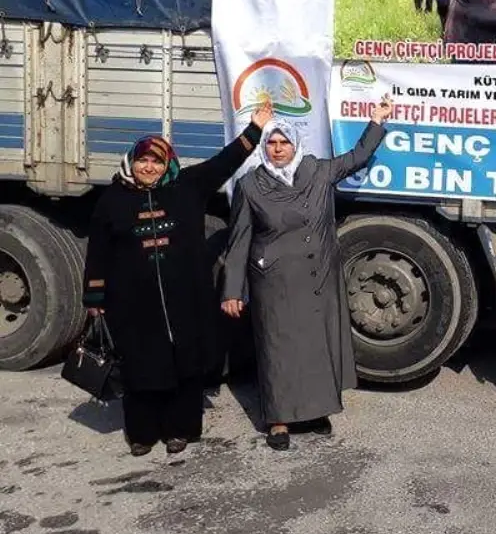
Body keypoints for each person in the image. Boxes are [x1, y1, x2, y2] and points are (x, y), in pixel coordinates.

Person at [82, 102, 273, 457]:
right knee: (140, 367)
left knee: (185, 367)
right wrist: (94, 300)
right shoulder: (112, 200)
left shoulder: (188, 186)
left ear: (167, 163)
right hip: (133, 306)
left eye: (156, 161)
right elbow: (98, 253)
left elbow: (224, 163)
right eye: (143, 160)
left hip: (185, 300)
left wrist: (255, 129)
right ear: (132, 163)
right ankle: (142, 433)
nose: (149, 167)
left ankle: (179, 430)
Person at [220, 96, 393, 451]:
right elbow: (239, 241)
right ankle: (279, 420)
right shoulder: (251, 185)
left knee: (316, 347)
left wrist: (376, 121)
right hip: (274, 282)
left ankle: (316, 411)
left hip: (316, 278)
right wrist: (232, 291)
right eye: (272, 142)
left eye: (284, 142)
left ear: (295, 143)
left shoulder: (317, 171)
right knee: (278, 349)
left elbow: (356, 158)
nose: (278, 148)